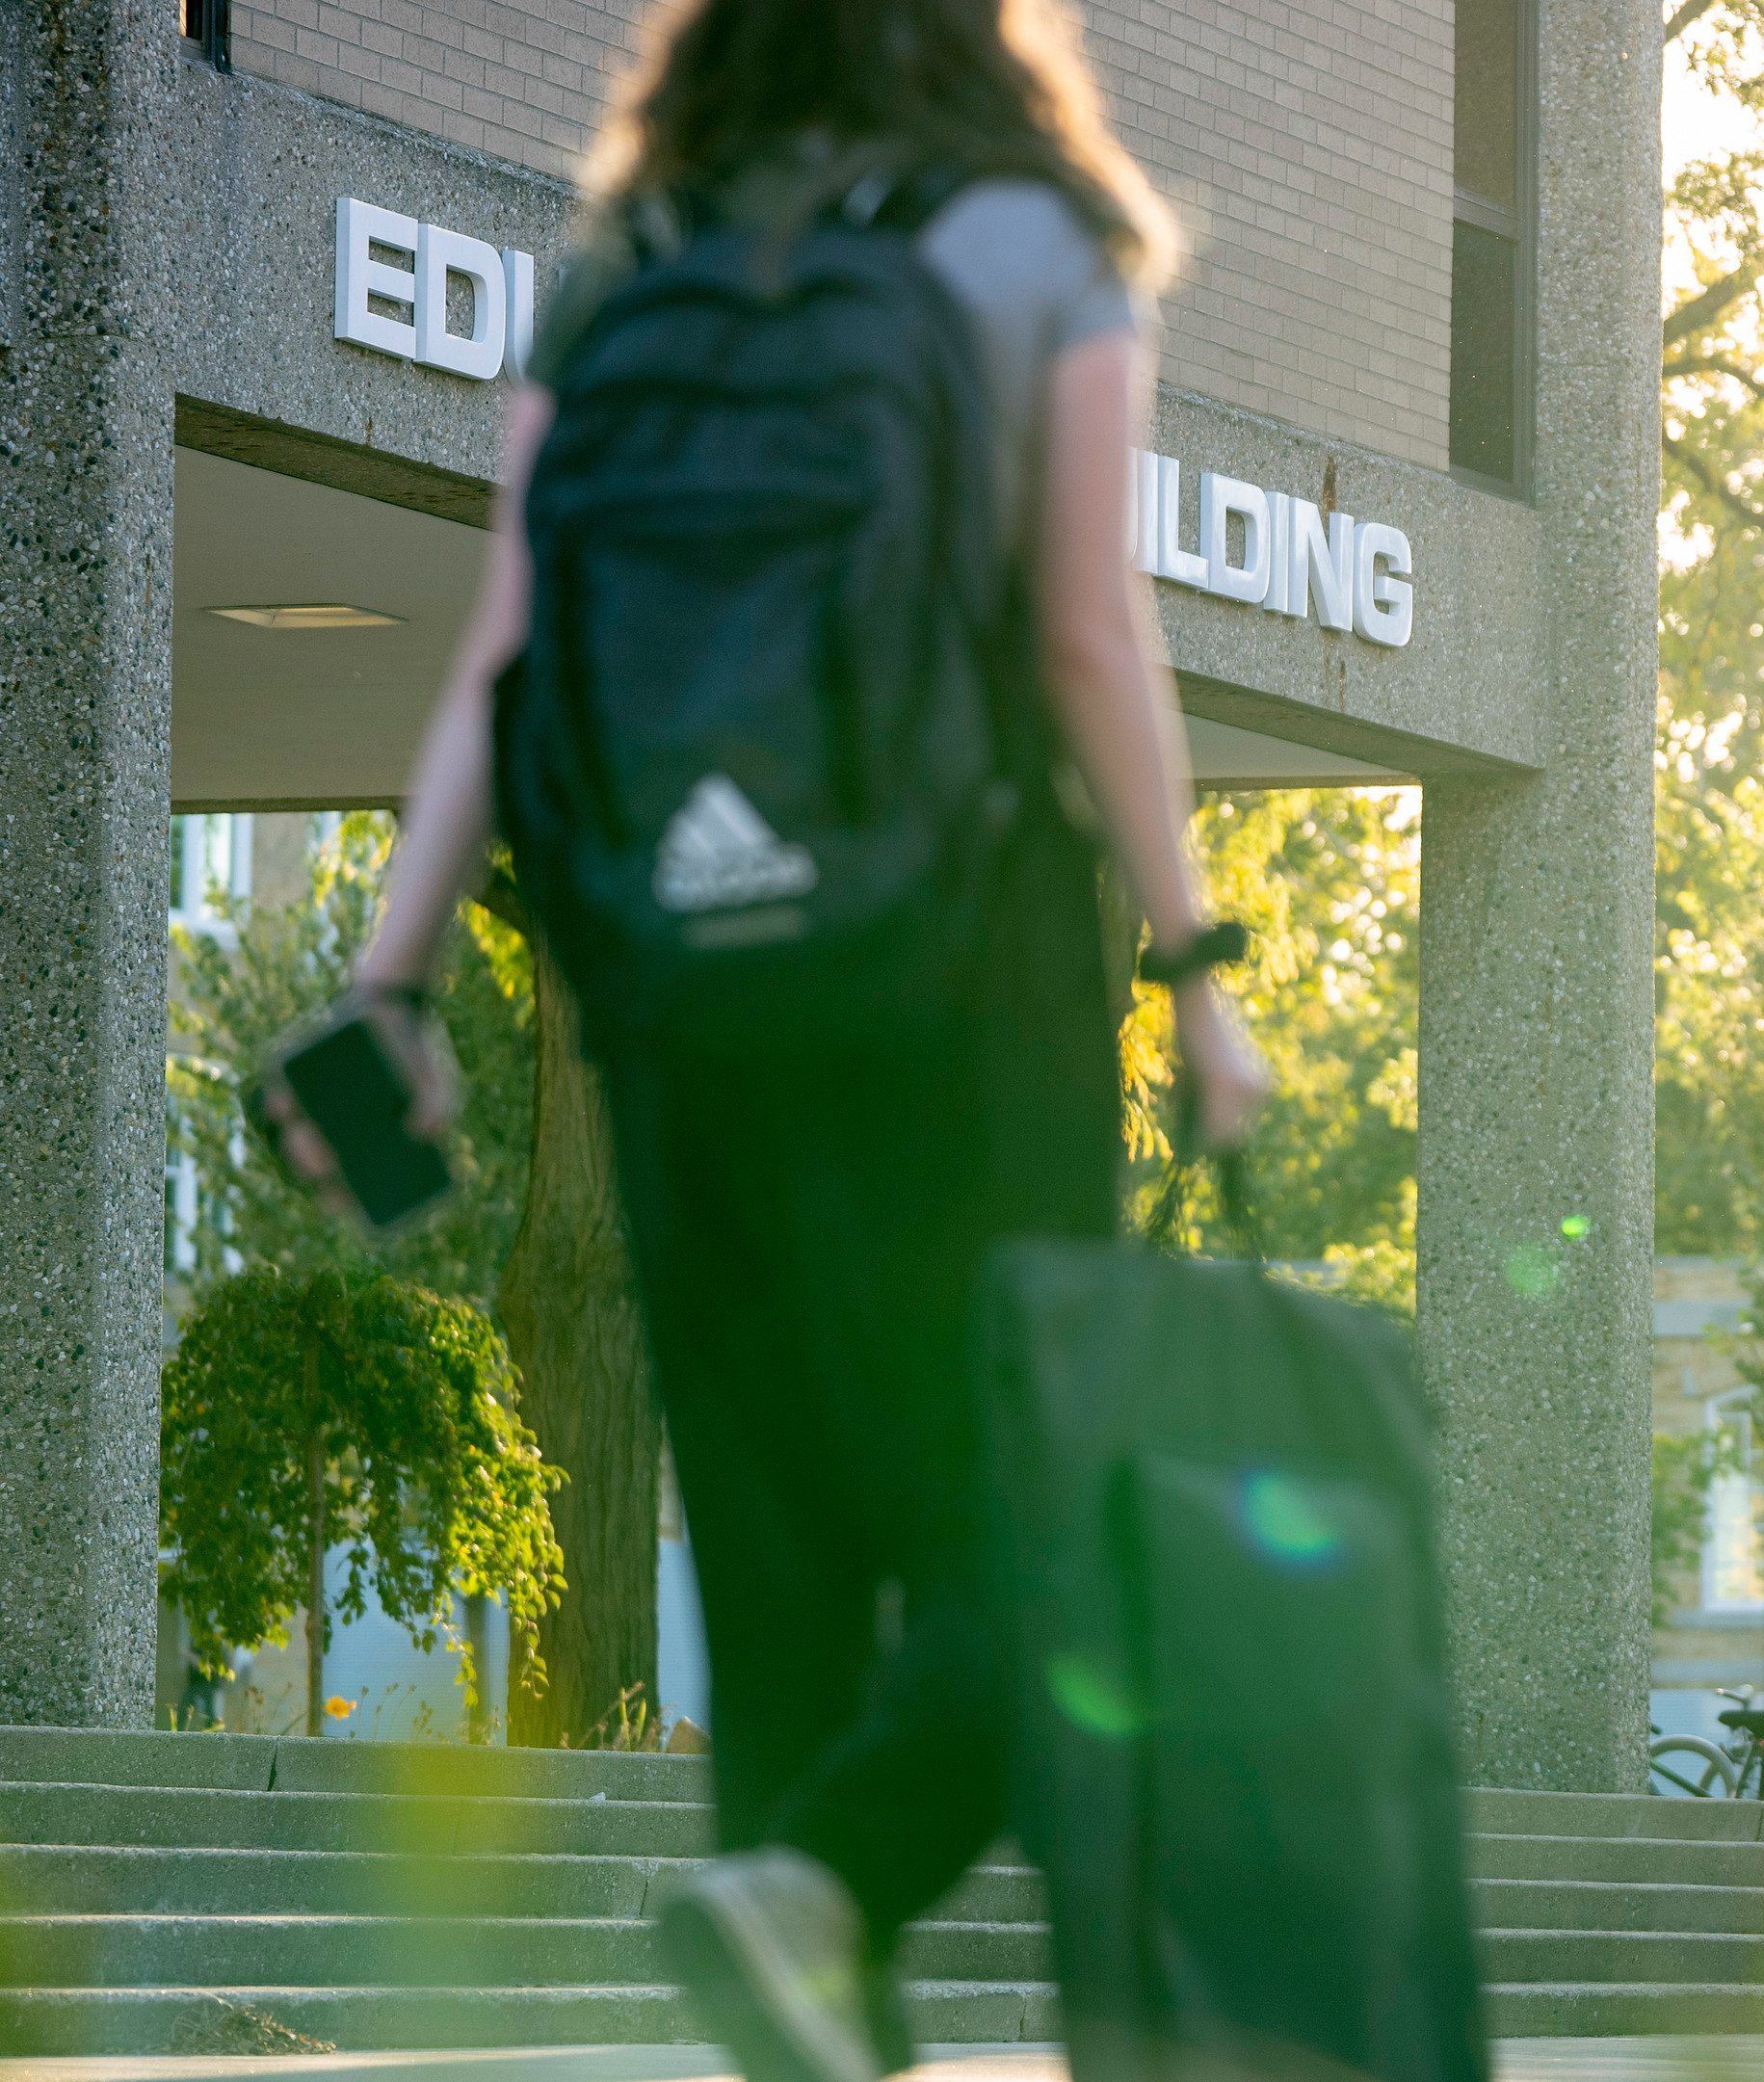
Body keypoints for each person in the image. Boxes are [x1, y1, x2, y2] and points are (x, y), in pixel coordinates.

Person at [267, 4, 1272, 2078]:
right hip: (957, 979)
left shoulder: (630, 256)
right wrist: (1193, 962)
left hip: (679, 995)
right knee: (1047, 1544)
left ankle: (801, 1921)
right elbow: (1091, 626)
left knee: (784, 1574)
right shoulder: (1032, 236)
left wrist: (396, 984)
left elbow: (507, 645)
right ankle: (828, 1888)